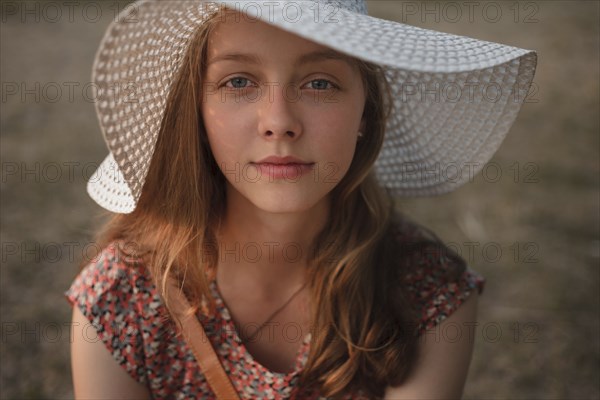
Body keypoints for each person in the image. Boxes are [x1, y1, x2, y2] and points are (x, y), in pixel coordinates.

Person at [65, 1, 537, 398]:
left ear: (366, 115)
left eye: (319, 83)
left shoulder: (428, 294)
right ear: (197, 116)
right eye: (238, 82)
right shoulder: (122, 296)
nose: (279, 121)